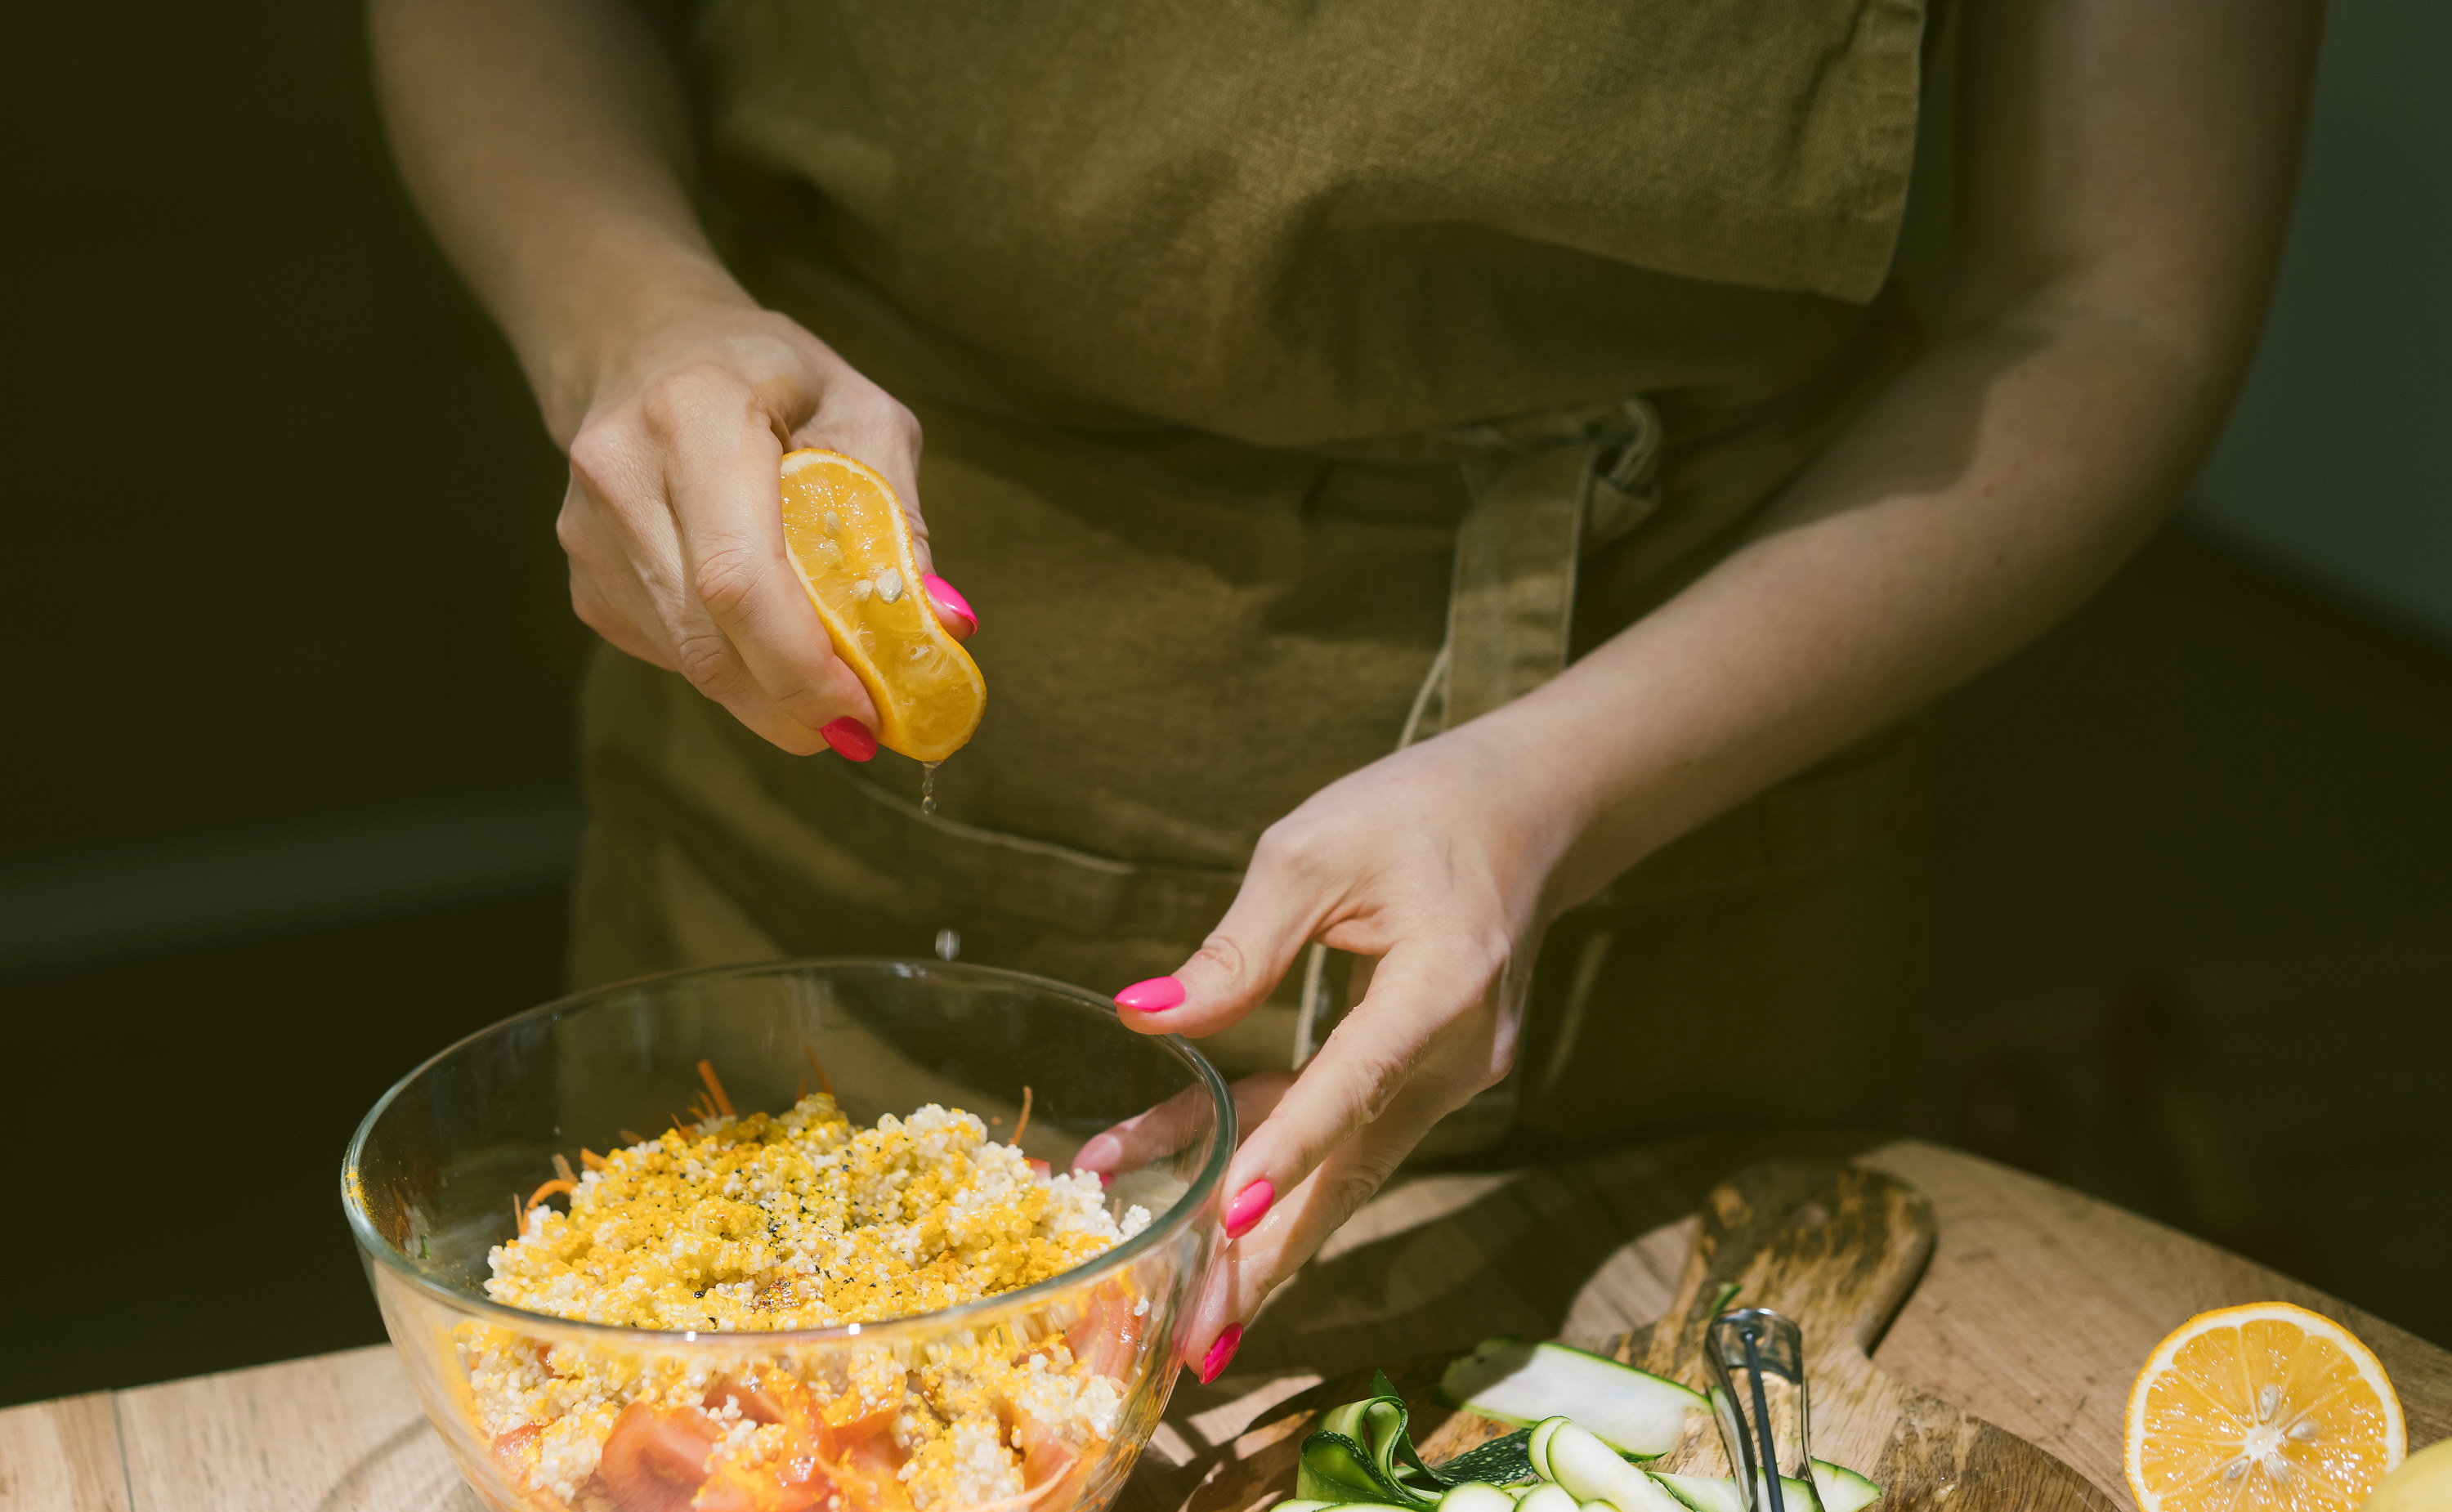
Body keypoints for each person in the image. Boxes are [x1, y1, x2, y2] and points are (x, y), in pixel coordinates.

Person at [371, 0, 2322, 1385]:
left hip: (1690, 806)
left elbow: (2113, 299)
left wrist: (1559, 787)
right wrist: (636, 318)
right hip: (821, 794)